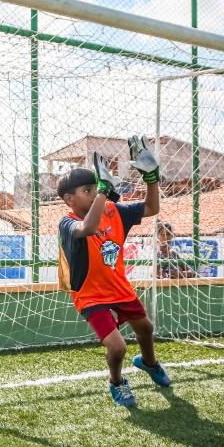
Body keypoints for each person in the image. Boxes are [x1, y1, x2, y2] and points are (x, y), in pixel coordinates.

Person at [57, 135, 170, 408]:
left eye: (95, 188)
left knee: (145, 328)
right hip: (90, 295)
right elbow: (88, 229)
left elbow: (152, 208)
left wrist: (151, 179)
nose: (95, 193)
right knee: (117, 347)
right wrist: (105, 190)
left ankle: (149, 363)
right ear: (69, 199)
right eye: (89, 190)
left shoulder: (114, 210)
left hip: (119, 287)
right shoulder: (67, 222)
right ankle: (117, 382)